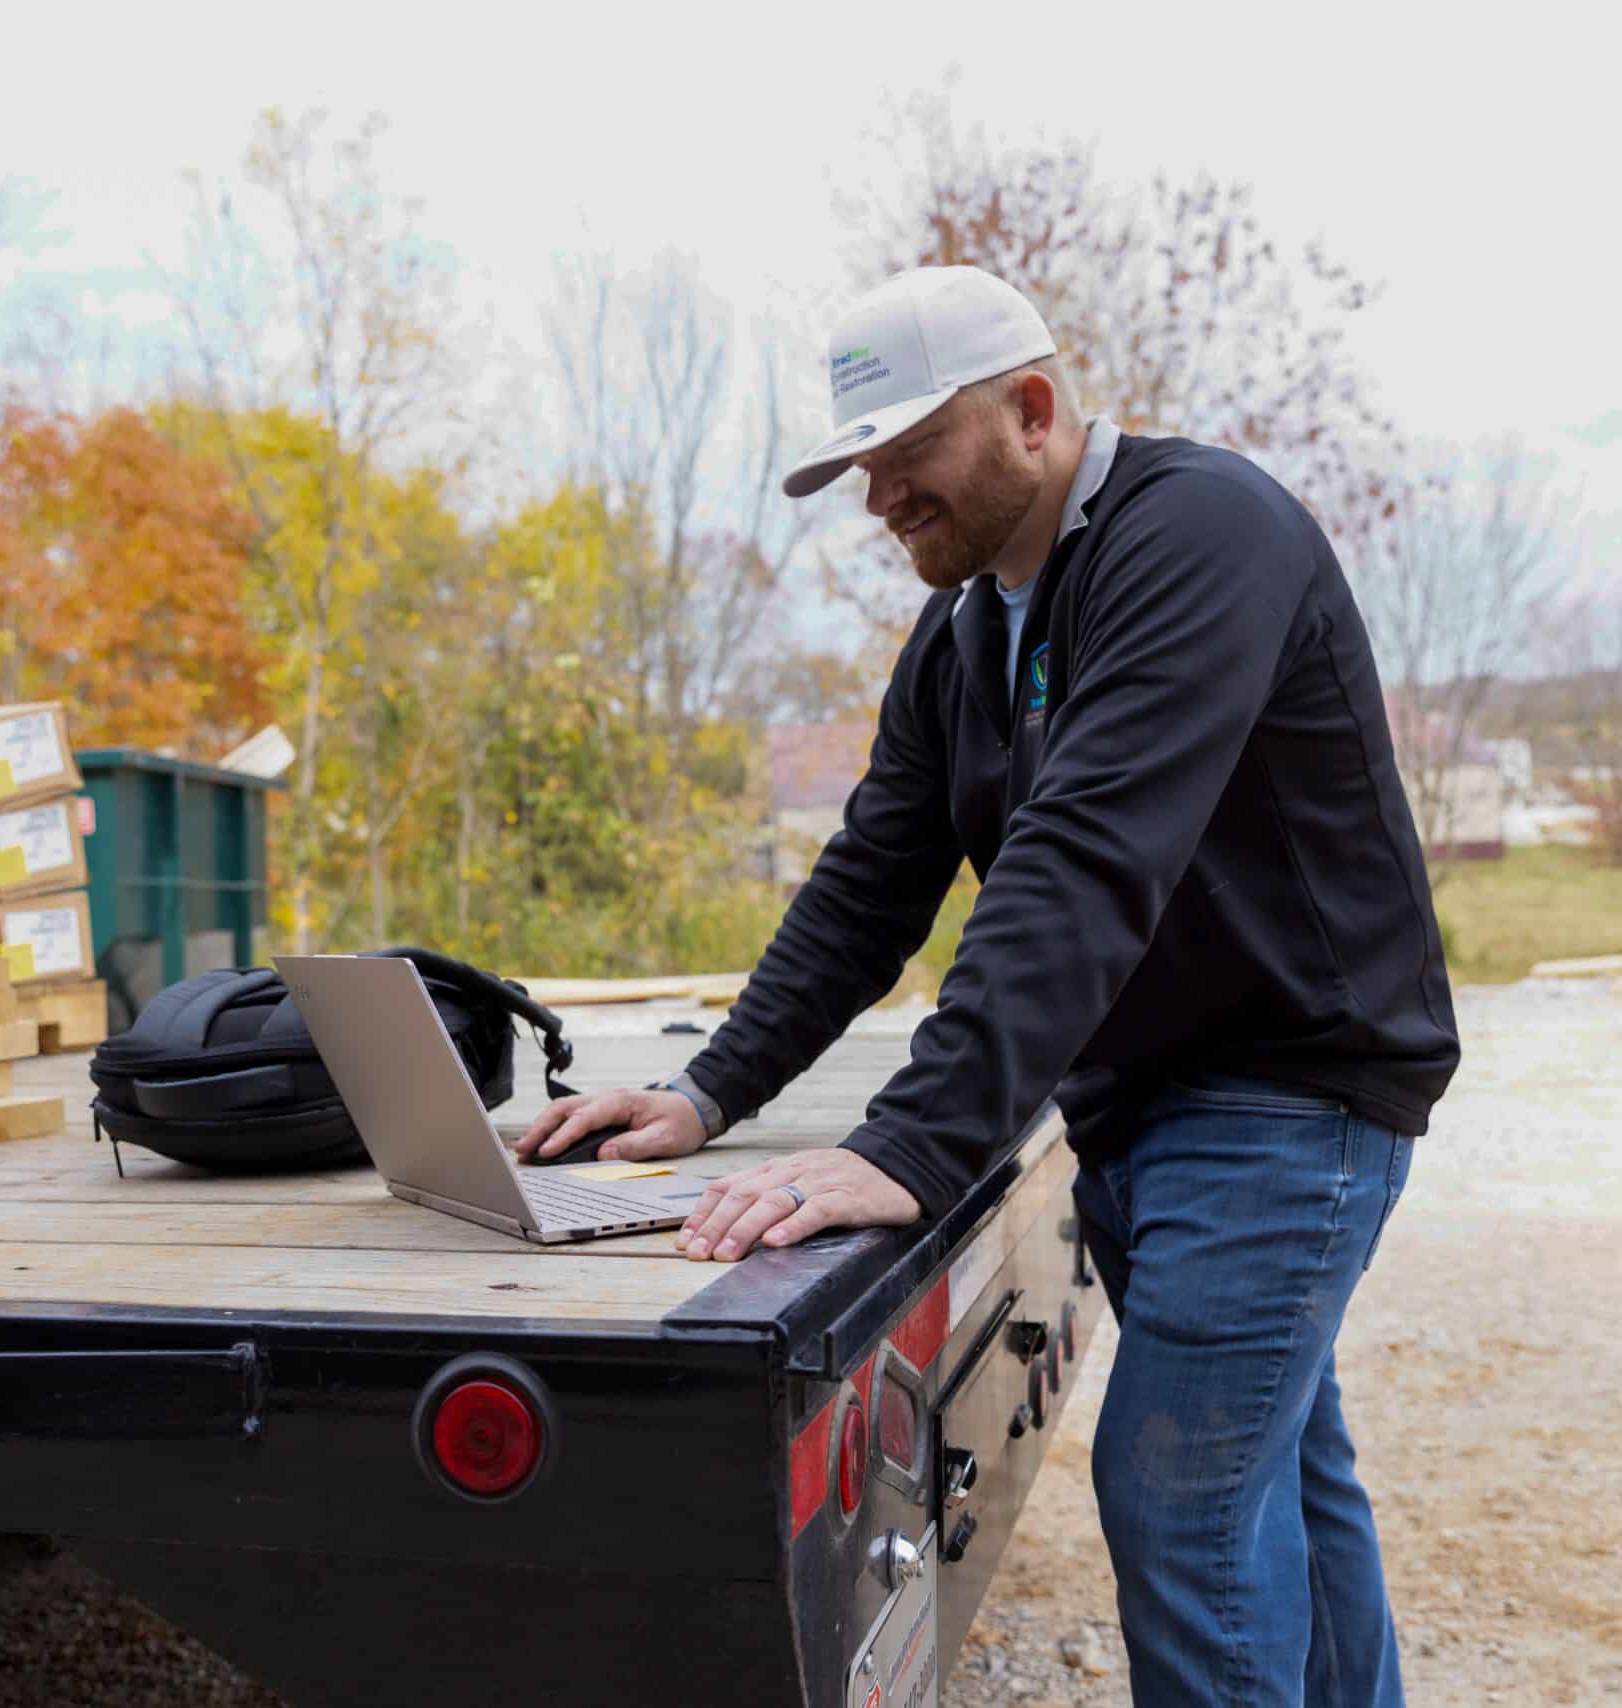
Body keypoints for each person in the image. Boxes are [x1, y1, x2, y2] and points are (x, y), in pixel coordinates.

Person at [517, 264, 1458, 1707]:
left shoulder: (1201, 534)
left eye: (910, 460)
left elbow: (1085, 859)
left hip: (1288, 1097)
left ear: (1031, 410)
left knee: (1185, 1507)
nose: (881, 501)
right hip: (1145, 1110)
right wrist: (709, 1093)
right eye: (860, 472)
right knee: (1279, 1478)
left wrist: (910, 1145)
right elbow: (869, 883)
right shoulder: (965, 635)